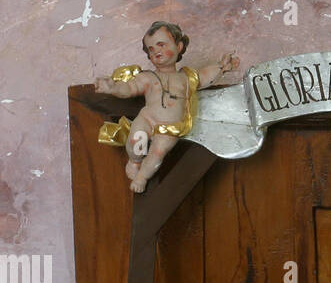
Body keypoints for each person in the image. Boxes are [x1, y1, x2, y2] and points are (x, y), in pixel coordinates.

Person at [95, 21, 240, 193]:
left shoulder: (186, 78)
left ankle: (142, 177)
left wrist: (222, 67)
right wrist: (113, 88)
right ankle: (134, 161)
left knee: (158, 152)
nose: (156, 51)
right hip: (147, 119)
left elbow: (204, 76)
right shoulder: (148, 77)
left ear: (179, 46)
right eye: (151, 49)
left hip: (171, 127)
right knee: (136, 140)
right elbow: (129, 88)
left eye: (161, 45)